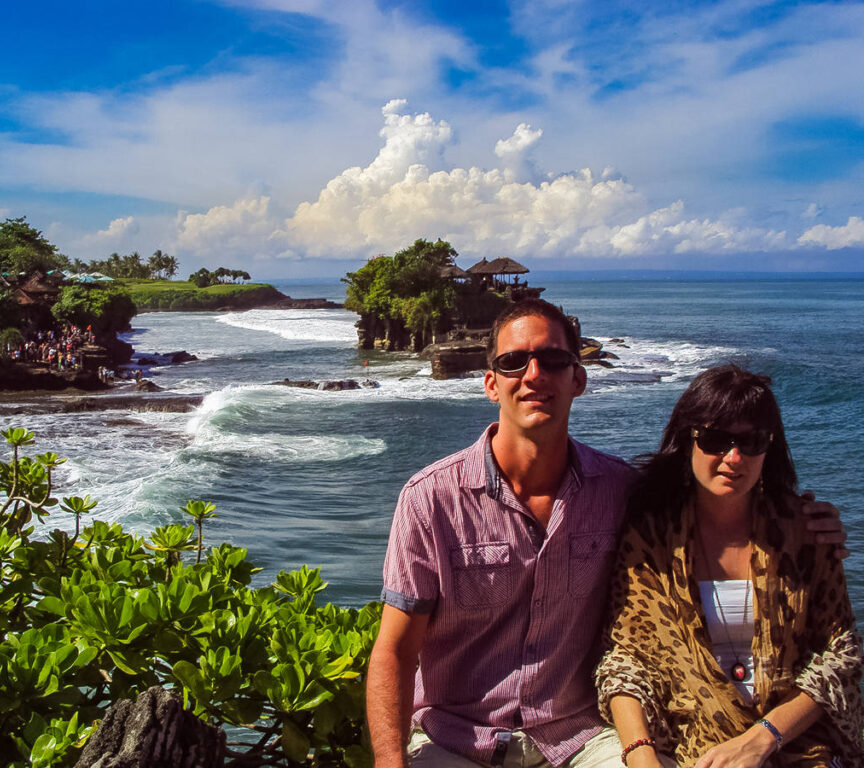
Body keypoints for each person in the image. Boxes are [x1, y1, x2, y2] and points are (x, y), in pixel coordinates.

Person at [366, 300, 847, 768]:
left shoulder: (620, 491)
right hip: (456, 738)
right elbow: (395, 649)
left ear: (579, 378)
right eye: (514, 362)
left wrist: (805, 519)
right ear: (491, 383)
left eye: (553, 360)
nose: (534, 375)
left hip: (577, 739)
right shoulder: (431, 499)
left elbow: (712, 504)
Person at [596, 366, 864, 767]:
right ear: (689, 440)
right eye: (716, 440)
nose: (733, 457)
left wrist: (762, 739)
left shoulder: (803, 533)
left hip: (797, 746)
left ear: (768, 449)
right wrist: (641, 754)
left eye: (751, 442)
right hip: (689, 743)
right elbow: (626, 659)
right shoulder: (652, 539)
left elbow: (840, 656)